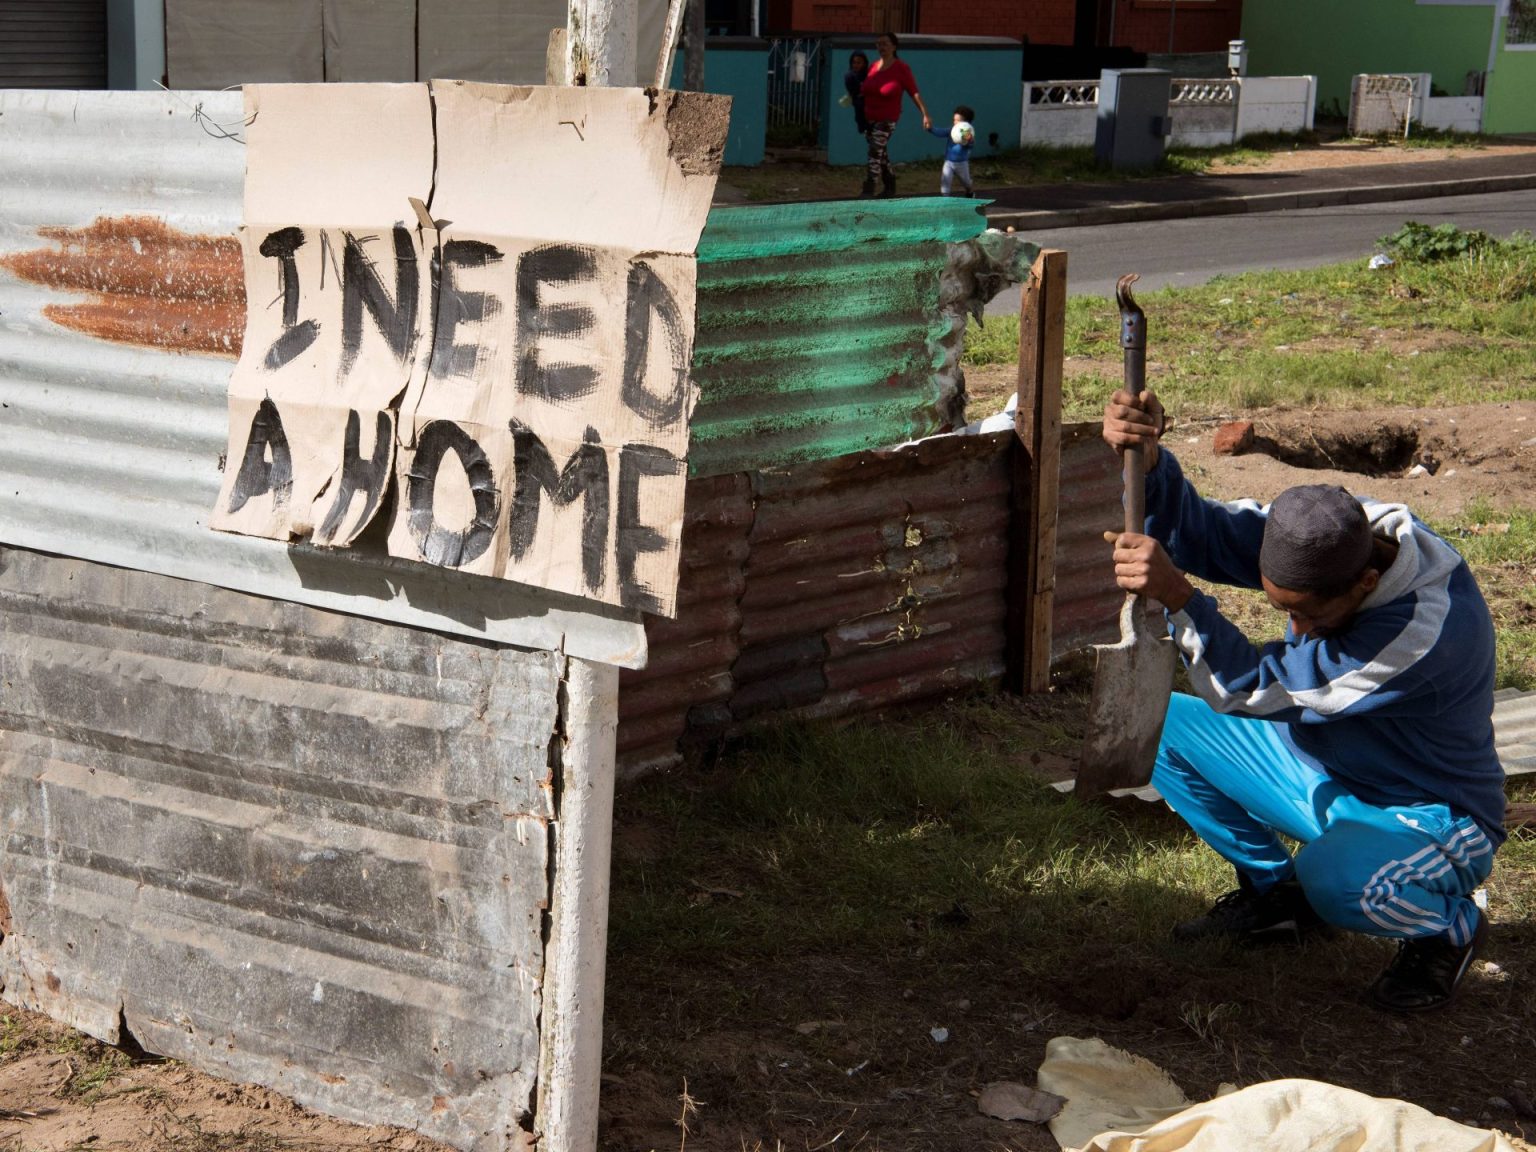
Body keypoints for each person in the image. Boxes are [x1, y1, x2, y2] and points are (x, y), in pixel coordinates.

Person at [1101, 387, 1505, 1013]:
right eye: (1282, 609)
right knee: (1162, 727)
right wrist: (1150, 463)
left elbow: (1254, 686)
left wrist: (1181, 598)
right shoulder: (1333, 533)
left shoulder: (1426, 630)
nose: (1297, 626)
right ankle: (1275, 897)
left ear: (1366, 584)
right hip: (1327, 773)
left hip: (1427, 817)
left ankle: (1449, 929)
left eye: (1308, 615)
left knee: (1338, 882)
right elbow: (1208, 534)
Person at [859, 32, 930, 199]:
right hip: (869, 118)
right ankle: (890, 185)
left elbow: (914, 92)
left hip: (887, 118)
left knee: (874, 151)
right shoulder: (873, 67)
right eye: (878, 44)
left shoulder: (901, 68)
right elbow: (865, 89)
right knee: (881, 153)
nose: (881, 47)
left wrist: (925, 114)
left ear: (894, 47)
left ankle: (869, 188)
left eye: (885, 43)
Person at [928, 104, 975, 196]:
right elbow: (940, 132)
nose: (955, 122)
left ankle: (969, 191)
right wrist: (930, 129)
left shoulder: (967, 134)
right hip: (948, 162)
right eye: (954, 120)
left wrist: (969, 142)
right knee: (945, 181)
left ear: (966, 123)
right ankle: (945, 198)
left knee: (966, 182)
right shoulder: (952, 130)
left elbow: (970, 145)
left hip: (961, 163)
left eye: (958, 120)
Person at [841, 51, 870, 137]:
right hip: (860, 107)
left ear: (864, 64)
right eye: (854, 63)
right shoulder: (849, 76)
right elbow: (855, 92)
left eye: (859, 63)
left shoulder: (869, 75)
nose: (856, 65)